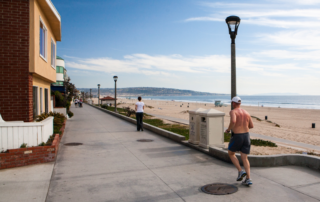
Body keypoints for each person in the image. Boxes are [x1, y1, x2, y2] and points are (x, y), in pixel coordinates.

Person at [225, 96, 254, 186]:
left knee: (231, 153)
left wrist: (228, 130)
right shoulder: (247, 112)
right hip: (246, 136)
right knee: (245, 158)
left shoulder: (233, 111)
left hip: (237, 136)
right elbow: (251, 125)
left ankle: (240, 171)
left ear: (233, 103)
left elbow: (233, 121)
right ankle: (248, 179)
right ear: (240, 103)